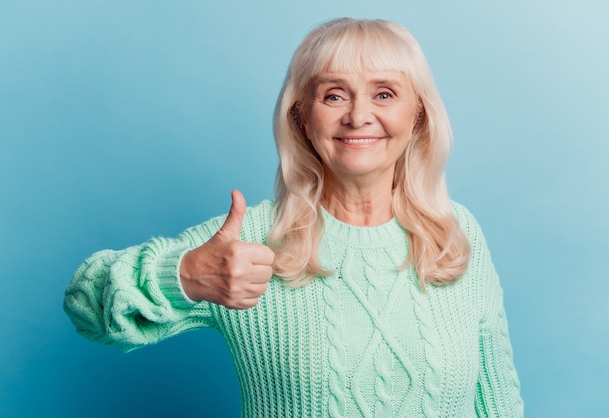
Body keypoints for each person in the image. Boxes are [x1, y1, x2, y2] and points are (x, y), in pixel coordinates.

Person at [64, 17, 523, 417]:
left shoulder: (453, 233)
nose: (359, 115)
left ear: (418, 113)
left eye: (384, 93)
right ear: (301, 115)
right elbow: (85, 304)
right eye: (334, 95)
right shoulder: (248, 242)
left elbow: (497, 402)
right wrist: (182, 277)